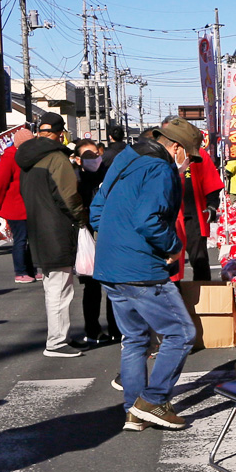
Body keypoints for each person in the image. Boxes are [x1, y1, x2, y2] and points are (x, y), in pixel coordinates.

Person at [92, 115, 202, 431]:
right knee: (181, 333)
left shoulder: (125, 159)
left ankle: (133, 410)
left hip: (110, 265)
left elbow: (97, 211)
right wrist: (173, 247)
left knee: (135, 339)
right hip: (141, 268)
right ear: (177, 148)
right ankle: (153, 401)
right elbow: (148, 219)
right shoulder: (161, 169)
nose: (188, 165)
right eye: (189, 157)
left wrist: (116, 237)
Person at [17, 113, 85, 357]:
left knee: (53, 285)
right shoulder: (56, 158)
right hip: (57, 228)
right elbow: (69, 197)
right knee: (60, 288)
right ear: (60, 133)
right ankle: (56, 341)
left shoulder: (26, 158)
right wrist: (82, 219)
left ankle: (61, 336)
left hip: (37, 227)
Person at [74, 139, 121, 349]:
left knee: (114, 284)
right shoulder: (75, 180)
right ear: (78, 159)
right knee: (91, 286)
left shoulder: (109, 176)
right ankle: (92, 330)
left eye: (96, 153)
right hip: (87, 236)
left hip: (109, 234)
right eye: (87, 155)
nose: (93, 158)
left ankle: (116, 328)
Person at [0, 127, 37, 283]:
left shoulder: (29, 156)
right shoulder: (10, 157)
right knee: (21, 239)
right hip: (15, 205)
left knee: (32, 239)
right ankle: (21, 271)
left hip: (29, 204)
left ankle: (32, 270)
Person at [180, 143, 225, 281]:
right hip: (169, 215)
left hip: (193, 214)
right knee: (168, 265)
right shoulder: (161, 153)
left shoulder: (197, 152)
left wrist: (212, 205)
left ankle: (202, 290)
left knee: (199, 259)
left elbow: (211, 181)